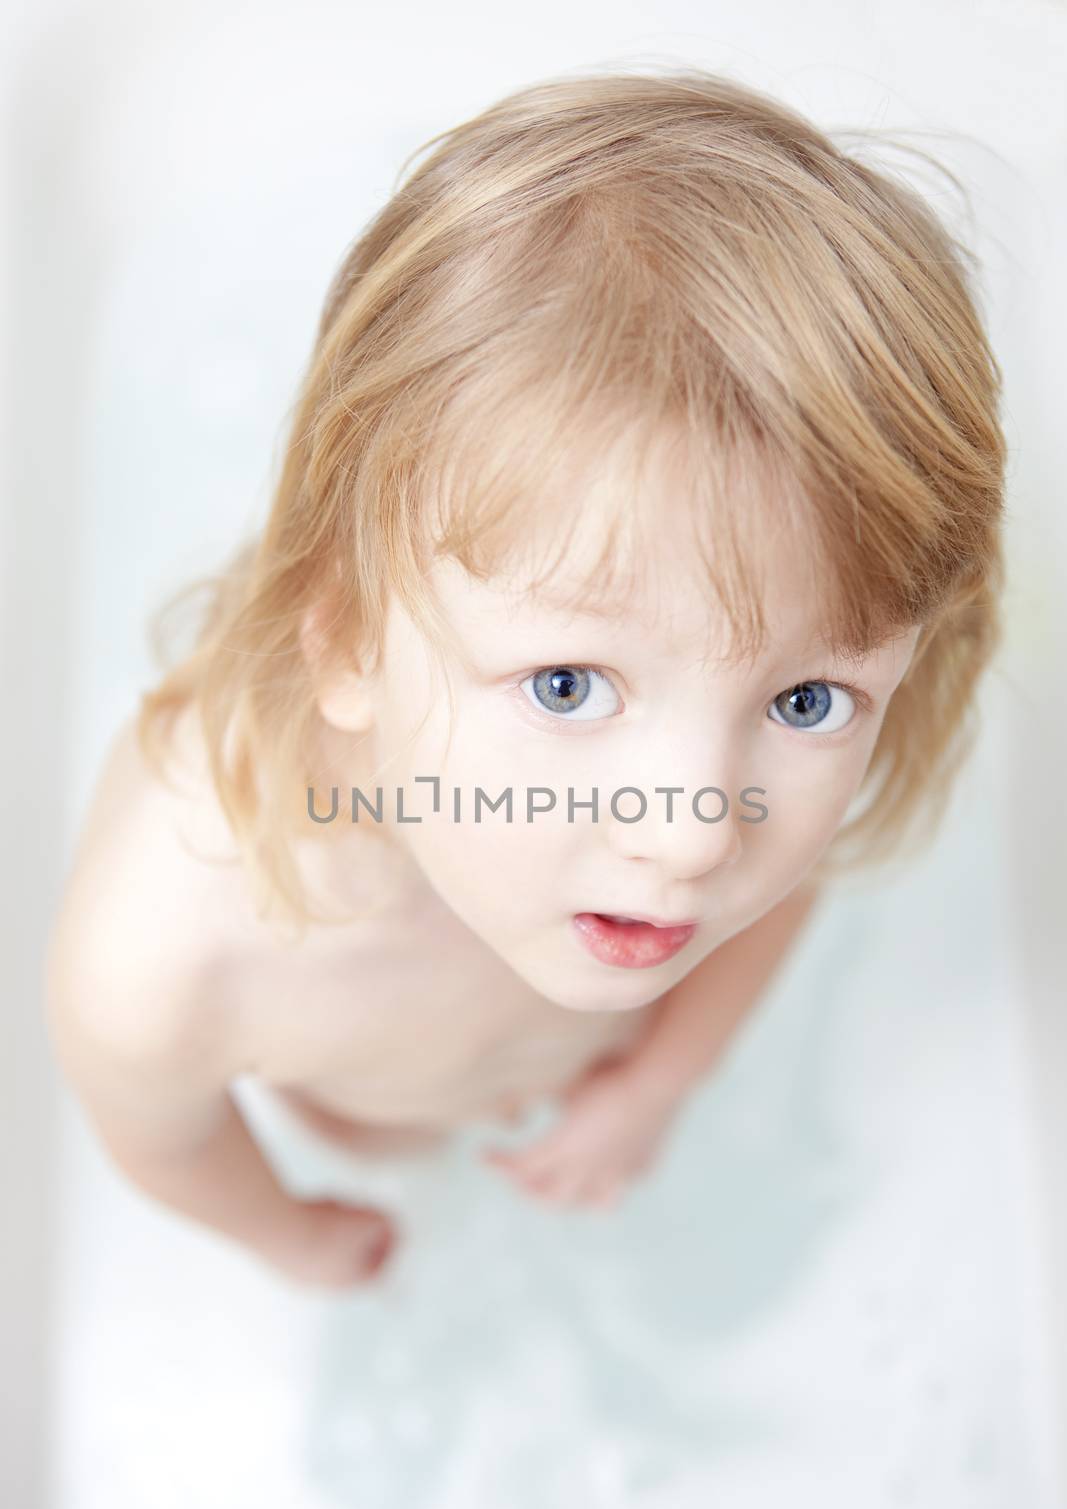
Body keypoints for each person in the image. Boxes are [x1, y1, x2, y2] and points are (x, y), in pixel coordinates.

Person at [43, 66, 1006, 1294]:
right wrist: (288, 1231)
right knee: (380, 1135)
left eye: (804, 701)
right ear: (342, 644)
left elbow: (786, 895)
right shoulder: (170, 952)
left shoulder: (717, 799)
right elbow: (163, 1135)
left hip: (574, 1074)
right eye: (566, 687)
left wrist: (656, 1083)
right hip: (369, 1114)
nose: (695, 831)